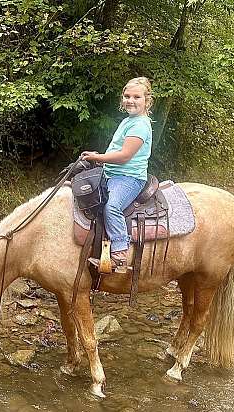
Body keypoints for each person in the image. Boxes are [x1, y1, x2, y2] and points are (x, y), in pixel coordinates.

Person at [81, 76, 153, 272]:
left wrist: (98, 158)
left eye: (136, 97)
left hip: (129, 178)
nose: (130, 100)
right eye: (127, 96)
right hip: (112, 174)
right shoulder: (129, 121)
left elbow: (124, 156)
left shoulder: (140, 125)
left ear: (147, 100)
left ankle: (120, 255)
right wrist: (99, 159)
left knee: (112, 206)